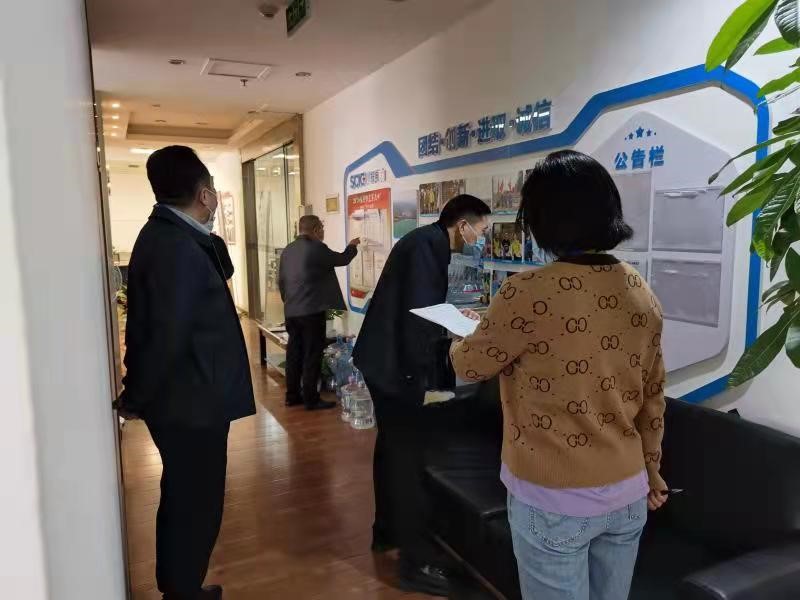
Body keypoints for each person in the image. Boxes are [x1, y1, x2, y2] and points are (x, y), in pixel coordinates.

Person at [450, 150, 667, 600]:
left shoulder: (527, 291)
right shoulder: (640, 289)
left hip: (553, 499)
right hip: (628, 492)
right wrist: (652, 470)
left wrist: (461, 336)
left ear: (541, 219)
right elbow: (653, 396)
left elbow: (469, 364)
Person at [118, 145, 256, 600]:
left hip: (190, 397)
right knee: (196, 504)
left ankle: (180, 586)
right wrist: (136, 396)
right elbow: (165, 336)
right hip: (191, 404)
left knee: (185, 497)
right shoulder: (174, 247)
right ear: (204, 194)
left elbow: (221, 271)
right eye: (212, 190)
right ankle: (182, 591)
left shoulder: (172, 235)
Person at [352, 194, 491, 596]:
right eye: (481, 230)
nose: (481, 238)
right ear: (462, 225)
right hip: (395, 368)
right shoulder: (427, 247)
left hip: (386, 362)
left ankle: (387, 534)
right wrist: (425, 384)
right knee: (408, 460)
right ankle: (416, 563)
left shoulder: (425, 242)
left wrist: (454, 318)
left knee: (392, 451)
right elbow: (417, 319)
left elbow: (424, 308)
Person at [279, 215, 359, 410]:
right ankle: (311, 399)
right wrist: (352, 246)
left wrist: (289, 302)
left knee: (294, 353)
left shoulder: (288, 250)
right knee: (312, 355)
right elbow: (342, 259)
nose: (323, 232)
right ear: (315, 230)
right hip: (312, 311)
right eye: (322, 228)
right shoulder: (316, 248)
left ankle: (292, 396)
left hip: (292, 311)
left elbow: (281, 281)